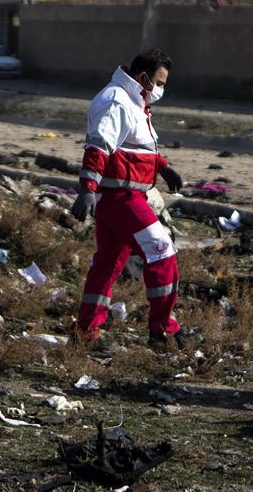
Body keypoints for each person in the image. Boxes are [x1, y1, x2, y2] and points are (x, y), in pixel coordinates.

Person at [71, 48, 185, 348]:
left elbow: (135, 147)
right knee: (163, 253)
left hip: (122, 197)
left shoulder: (135, 102)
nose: (161, 89)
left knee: (108, 263)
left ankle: (87, 332)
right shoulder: (116, 101)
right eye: (159, 82)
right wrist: (87, 188)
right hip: (121, 198)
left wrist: (164, 167)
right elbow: (100, 146)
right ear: (143, 77)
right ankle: (162, 330)